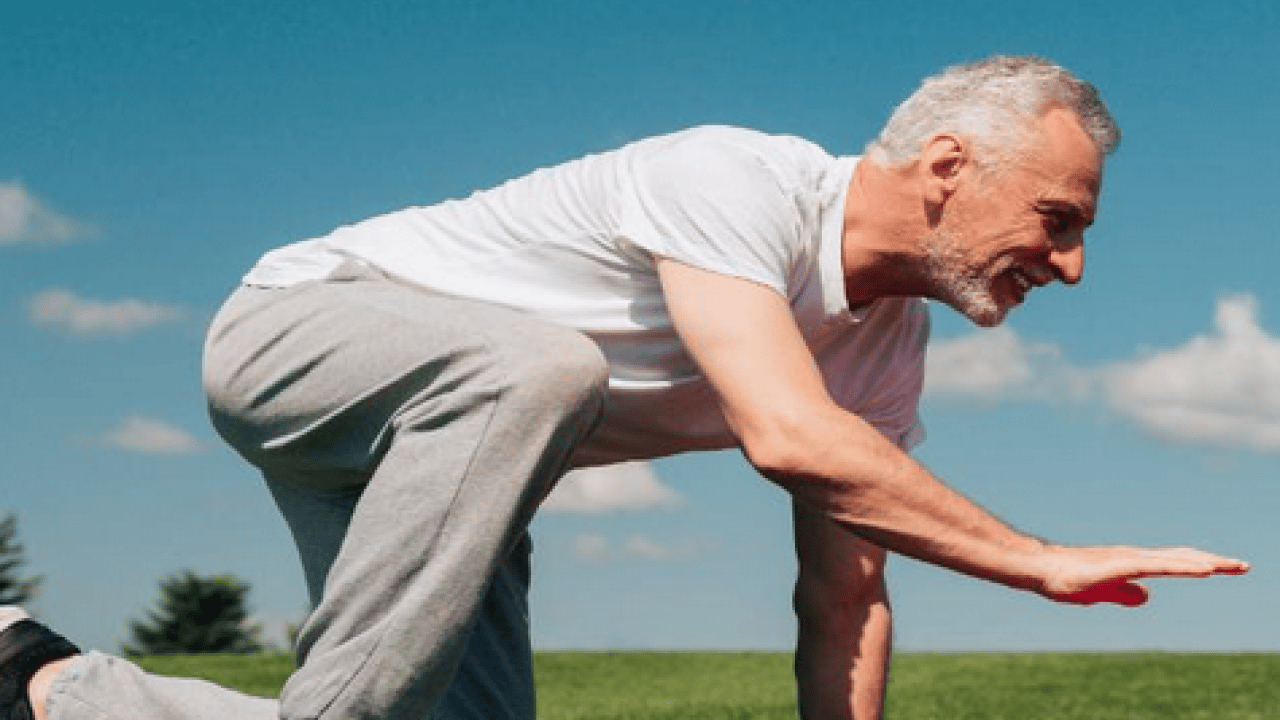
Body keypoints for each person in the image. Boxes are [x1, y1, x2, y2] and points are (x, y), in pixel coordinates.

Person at [0, 55, 1249, 720]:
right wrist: (1034, 561)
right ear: (944, 164)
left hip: (449, 459)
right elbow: (786, 437)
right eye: (1055, 218)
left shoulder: (880, 347)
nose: (1068, 265)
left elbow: (844, 597)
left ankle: (43, 681)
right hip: (297, 339)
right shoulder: (736, 181)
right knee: (545, 363)